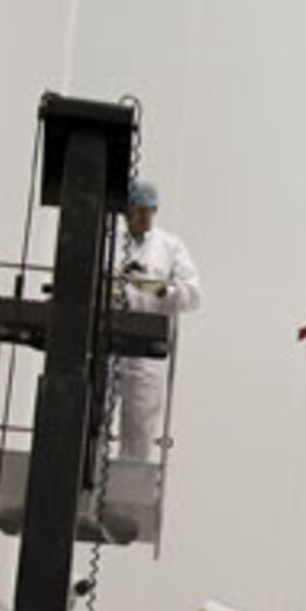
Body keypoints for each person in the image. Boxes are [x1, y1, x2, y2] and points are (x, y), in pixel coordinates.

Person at [112, 179, 200, 461]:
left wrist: (159, 288)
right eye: (138, 211)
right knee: (92, 416)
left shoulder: (170, 247)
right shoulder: (110, 239)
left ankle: (127, 485)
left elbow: (192, 295)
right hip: (107, 340)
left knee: (139, 424)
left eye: (149, 212)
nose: (144, 218)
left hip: (146, 347)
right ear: (127, 210)